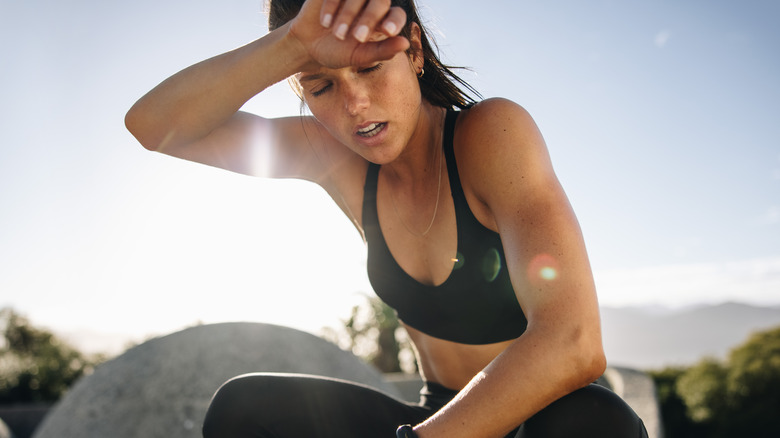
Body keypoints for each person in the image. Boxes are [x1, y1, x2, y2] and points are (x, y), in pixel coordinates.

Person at [126, 0, 649, 436]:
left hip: (537, 425)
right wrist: (291, 46)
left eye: (370, 67)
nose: (354, 104)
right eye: (320, 86)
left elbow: (574, 343)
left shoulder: (491, 135)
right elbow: (153, 126)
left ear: (414, 51)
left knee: (596, 423)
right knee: (245, 408)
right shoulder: (330, 156)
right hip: (433, 414)